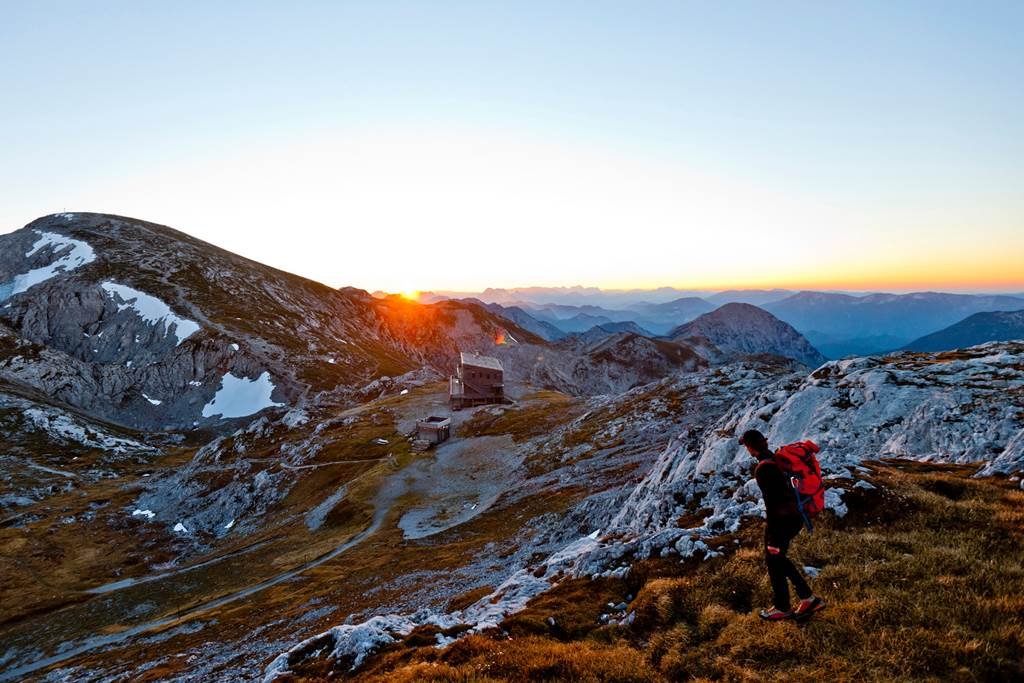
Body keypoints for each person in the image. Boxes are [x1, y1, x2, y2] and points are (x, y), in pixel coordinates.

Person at [740, 428, 826, 621]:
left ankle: (784, 606)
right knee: (777, 559)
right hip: (795, 516)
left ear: (750, 448)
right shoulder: (776, 459)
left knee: (774, 557)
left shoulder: (764, 469)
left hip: (784, 520)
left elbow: (774, 504)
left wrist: (773, 537)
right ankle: (806, 598)